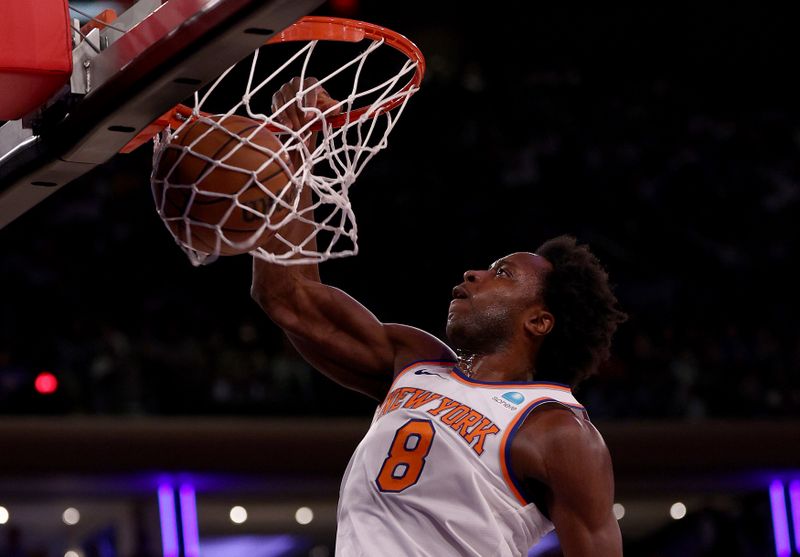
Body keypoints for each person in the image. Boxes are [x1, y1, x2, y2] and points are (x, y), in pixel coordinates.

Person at [251, 78, 628, 556]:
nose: (474, 274)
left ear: (539, 321)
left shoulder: (558, 432)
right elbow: (288, 296)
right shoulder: (414, 361)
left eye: (502, 273)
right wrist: (295, 149)